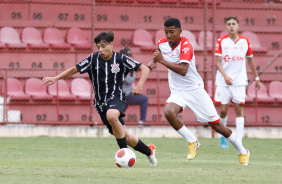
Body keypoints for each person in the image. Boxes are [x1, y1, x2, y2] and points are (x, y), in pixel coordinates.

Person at [42, 31, 157, 167]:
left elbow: (144, 68)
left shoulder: (120, 59)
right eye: (98, 47)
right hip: (101, 104)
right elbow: (74, 69)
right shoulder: (93, 59)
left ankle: (124, 154)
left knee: (112, 116)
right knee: (127, 136)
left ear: (111, 45)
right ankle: (149, 152)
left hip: (117, 98)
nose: (101, 50)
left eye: (103, 46)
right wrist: (56, 78)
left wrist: (139, 85)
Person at [148, 18, 250, 165]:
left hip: (195, 89)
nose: (169, 35)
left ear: (180, 31)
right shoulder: (162, 43)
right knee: (169, 112)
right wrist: (152, 63)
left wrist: (161, 60)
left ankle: (242, 150)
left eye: (172, 32)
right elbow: (158, 55)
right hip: (178, 91)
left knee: (217, 126)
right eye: (166, 32)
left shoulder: (186, 45)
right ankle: (192, 140)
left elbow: (183, 70)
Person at [215, 16, 261, 148]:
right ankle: (223, 137)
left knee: (238, 109)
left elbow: (250, 60)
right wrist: (225, 76)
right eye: (228, 24)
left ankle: (239, 141)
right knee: (223, 110)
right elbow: (218, 62)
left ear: (238, 26)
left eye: (233, 24)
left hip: (239, 80)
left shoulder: (245, 41)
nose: (231, 26)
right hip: (223, 81)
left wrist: (256, 78)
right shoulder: (221, 41)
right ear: (226, 27)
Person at [120, 47, 149, 126]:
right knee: (144, 99)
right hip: (125, 94)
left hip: (125, 93)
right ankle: (142, 121)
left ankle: (113, 121)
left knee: (121, 109)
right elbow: (129, 80)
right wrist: (135, 74)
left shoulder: (125, 65)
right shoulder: (121, 66)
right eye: (128, 56)